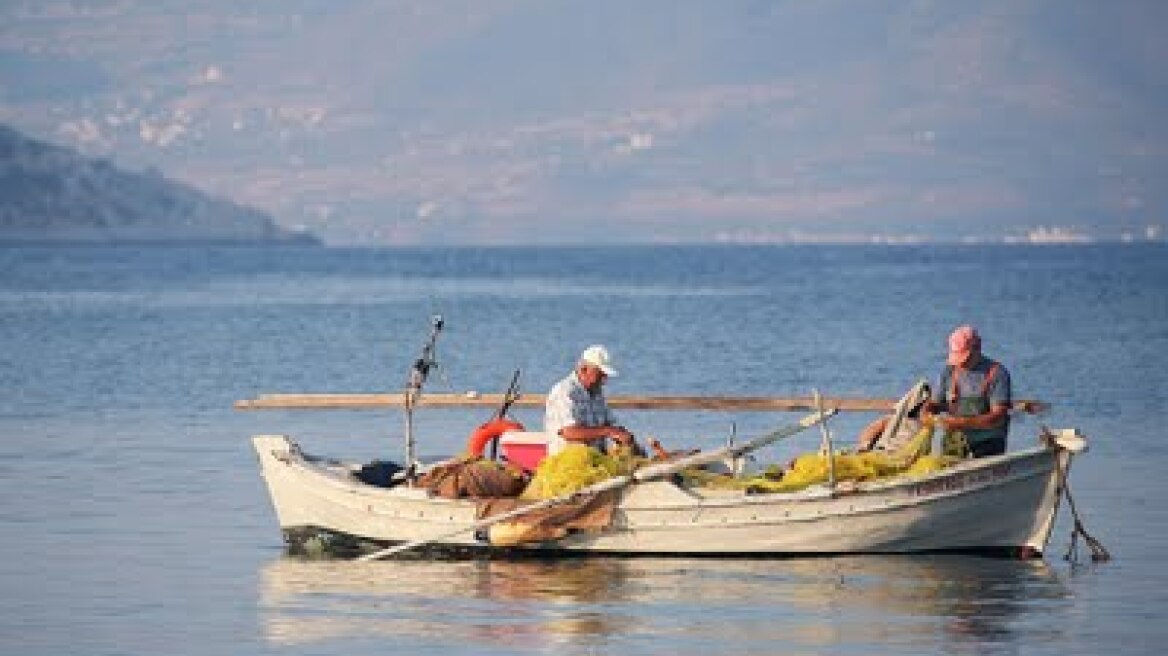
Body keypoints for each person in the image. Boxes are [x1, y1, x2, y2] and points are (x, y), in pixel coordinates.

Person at [923, 325, 1020, 458]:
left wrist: (962, 422)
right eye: (957, 357)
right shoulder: (948, 371)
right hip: (953, 442)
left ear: (977, 348)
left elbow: (998, 417)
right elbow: (935, 403)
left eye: (965, 357)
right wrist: (927, 411)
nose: (961, 363)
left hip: (988, 444)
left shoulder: (997, 373)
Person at [544, 344, 637, 456]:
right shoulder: (564, 392)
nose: (604, 380)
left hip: (595, 460)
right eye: (600, 375)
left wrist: (624, 436)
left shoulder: (597, 393)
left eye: (605, 375)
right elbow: (568, 432)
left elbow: (612, 424)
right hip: (568, 462)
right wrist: (608, 431)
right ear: (584, 369)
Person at [856, 383, 931, 453]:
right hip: (887, 453)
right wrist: (865, 445)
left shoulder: (927, 424)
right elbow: (869, 432)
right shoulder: (892, 420)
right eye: (922, 403)